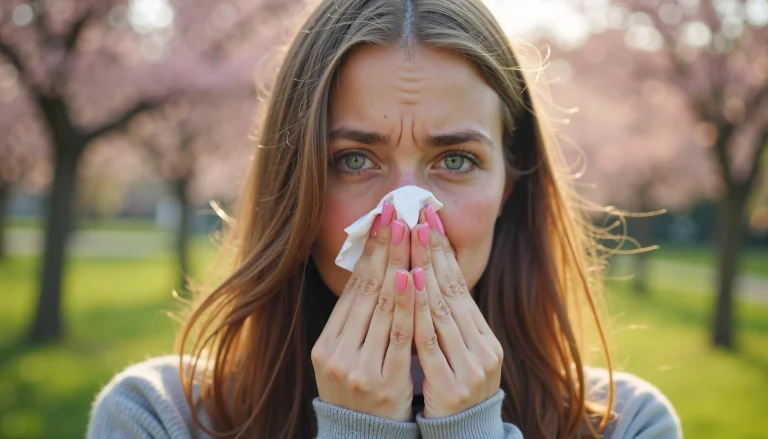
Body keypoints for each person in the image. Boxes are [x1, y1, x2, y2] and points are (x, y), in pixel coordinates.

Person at [86, 0, 682, 438]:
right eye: (353, 159)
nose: (404, 218)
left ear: (510, 181)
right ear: (298, 185)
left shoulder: (627, 424)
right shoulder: (156, 418)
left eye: (455, 159)